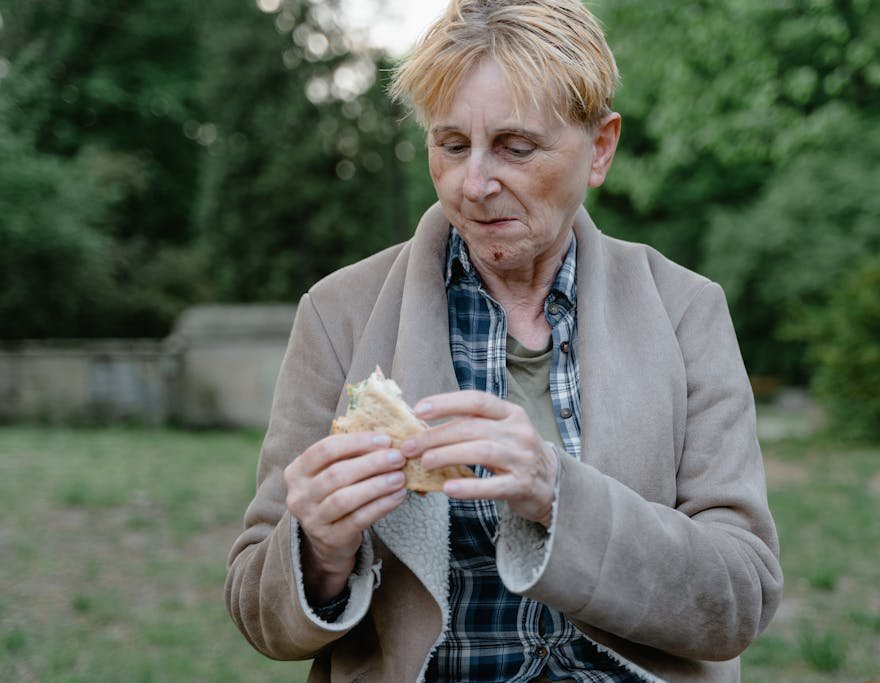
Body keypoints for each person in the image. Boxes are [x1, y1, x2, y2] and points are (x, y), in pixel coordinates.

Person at [225, 1, 783, 681]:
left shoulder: (686, 310)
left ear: (600, 147)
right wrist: (317, 550)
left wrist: (559, 497)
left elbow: (740, 596)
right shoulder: (339, 313)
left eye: (517, 147)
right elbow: (256, 606)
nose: (475, 183)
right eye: (451, 144)